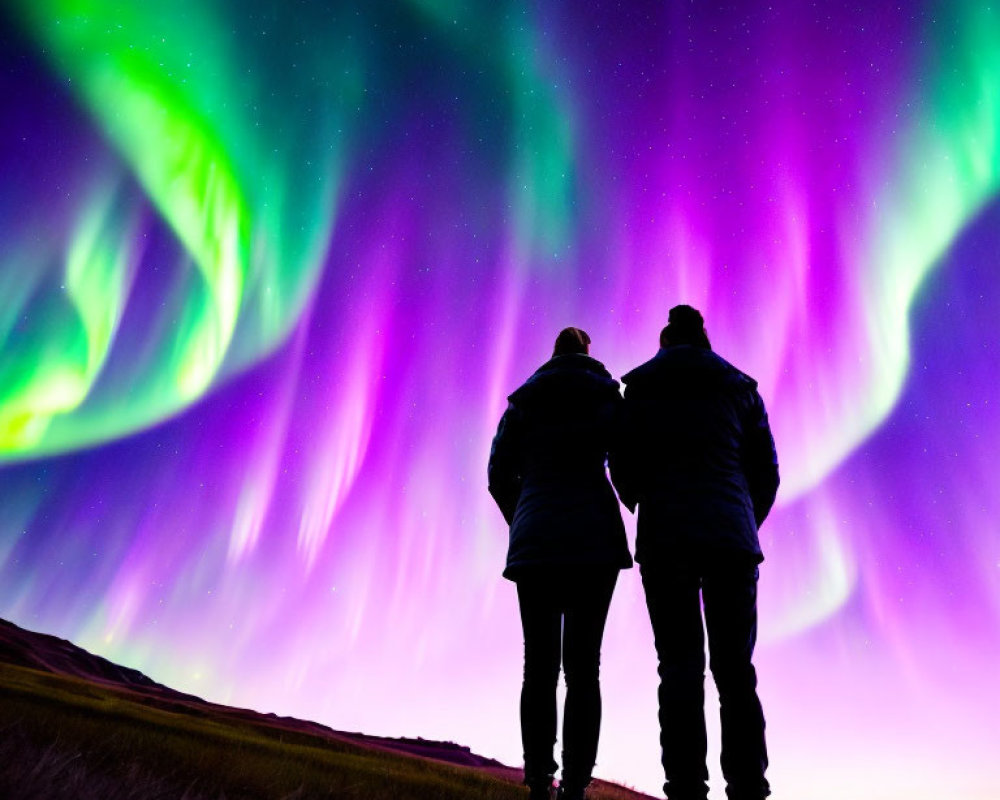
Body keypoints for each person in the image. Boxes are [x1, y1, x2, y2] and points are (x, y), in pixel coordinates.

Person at [614, 305, 779, 800]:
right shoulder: (740, 388)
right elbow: (766, 472)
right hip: (731, 542)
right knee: (735, 672)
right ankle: (748, 788)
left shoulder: (640, 389)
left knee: (679, 668)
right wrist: (744, 519)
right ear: (705, 340)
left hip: (666, 539)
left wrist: (641, 498)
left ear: (665, 340)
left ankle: (686, 788)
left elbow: (621, 461)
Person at [488, 327, 633, 800]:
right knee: (584, 669)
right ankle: (575, 783)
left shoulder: (525, 399)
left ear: (552, 354)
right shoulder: (607, 395)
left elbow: (497, 474)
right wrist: (631, 498)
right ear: (588, 354)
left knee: (539, 667)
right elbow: (627, 462)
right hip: (594, 539)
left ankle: (537, 780)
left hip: (537, 544)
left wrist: (524, 516)